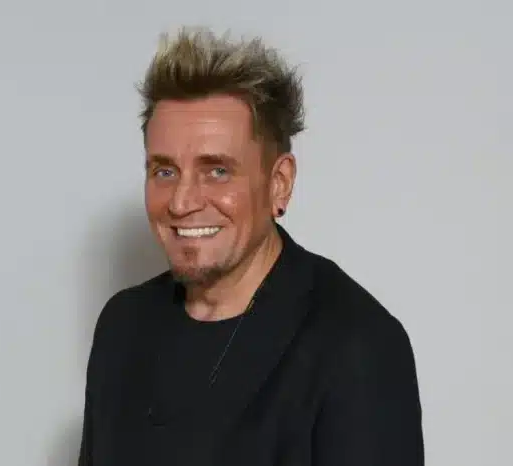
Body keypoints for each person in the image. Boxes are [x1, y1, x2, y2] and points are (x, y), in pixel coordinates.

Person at [78, 27, 424, 466]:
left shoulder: (357, 347)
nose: (182, 202)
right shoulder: (122, 327)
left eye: (217, 171)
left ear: (279, 183)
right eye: (164, 171)